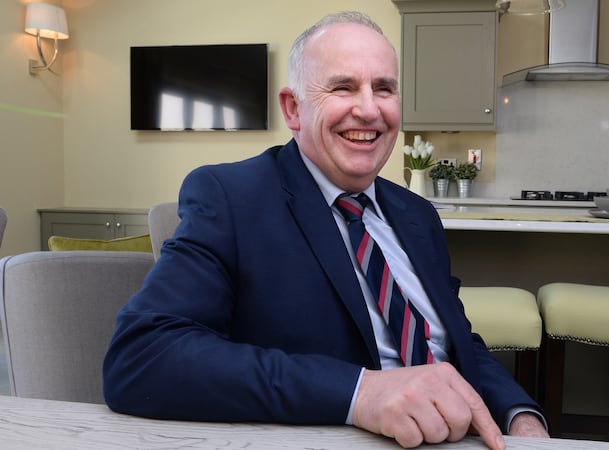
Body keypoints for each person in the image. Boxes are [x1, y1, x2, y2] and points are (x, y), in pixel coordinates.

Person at [103, 11, 548, 449]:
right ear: (293, 108)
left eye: (384, 88)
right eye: (343, 87)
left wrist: (519, 414)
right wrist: (361, 392)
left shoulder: (418, 214)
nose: (369, 109)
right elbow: (142, 357)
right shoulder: (231, 198)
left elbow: (452, 339)